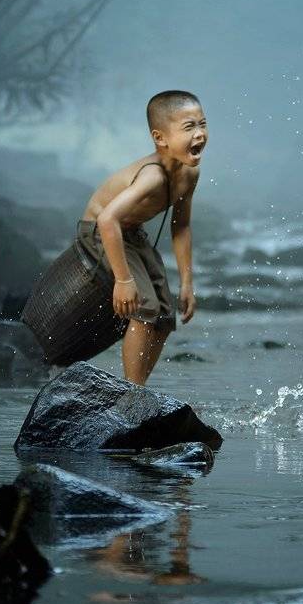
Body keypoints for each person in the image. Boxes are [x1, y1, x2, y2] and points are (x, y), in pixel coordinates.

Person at [80, 90, 207, 385]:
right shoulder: (152, 177)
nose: (200, 134)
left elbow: (181, 226)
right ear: (160, 138)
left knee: (164, 316)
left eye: (203, 124)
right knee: (144, 307)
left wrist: (187, 283)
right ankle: (132, 393)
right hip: (101, 232)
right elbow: (106, 219)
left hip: (131, 233)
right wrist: (124, 281)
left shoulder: (190, 174)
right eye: (189, 127)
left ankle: (138, 389)